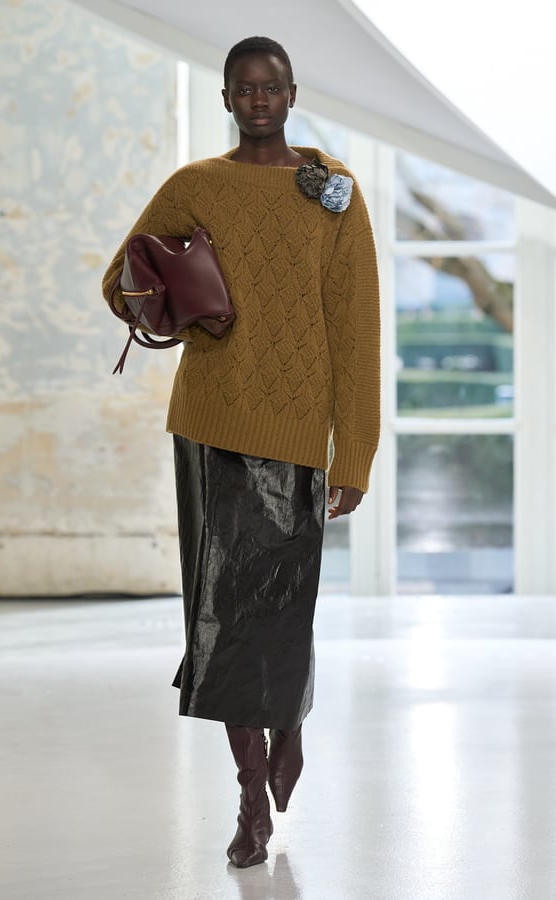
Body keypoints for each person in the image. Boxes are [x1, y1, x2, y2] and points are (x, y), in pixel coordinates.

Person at [102, 35, 380, 869]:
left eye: (271, 87)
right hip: (211, 423)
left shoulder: (332, 194)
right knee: (221, 616)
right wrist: (180, 298)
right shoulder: (196, 186)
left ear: (292, 94)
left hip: (295, 433)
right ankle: (251, 793)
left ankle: (287, 720)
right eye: (243, 88)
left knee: (283, 607)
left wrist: (354, 456)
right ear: (226, 97)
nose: (258, 99)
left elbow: (356, 331)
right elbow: (121, 280)